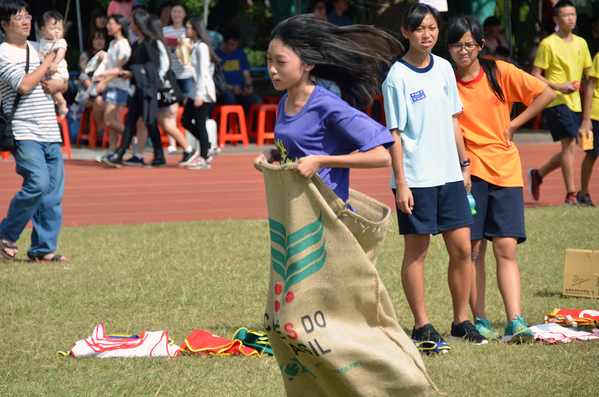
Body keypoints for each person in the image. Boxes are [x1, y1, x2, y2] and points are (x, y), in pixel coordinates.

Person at [382, 3, 487, 347]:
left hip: (451, 177)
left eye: (432, 28)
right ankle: (421, 325)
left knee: (462, 250)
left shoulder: (444, 68)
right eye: (418, 29)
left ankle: (461, 321)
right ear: (405, 33)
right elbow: (394, 134)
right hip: (416, 179)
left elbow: (454, 119)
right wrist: (401, 184)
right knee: (418, 252)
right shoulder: (396, 77)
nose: (426, 35)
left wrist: (465, 164)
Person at [447, 15, 556, 343]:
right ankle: (479, 320)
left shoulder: (499, 71)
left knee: (506, 248)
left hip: (506, 169)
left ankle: (515, 320)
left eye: (469, 44)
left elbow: (546, 93)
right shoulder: (446, 81)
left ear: (481, 45)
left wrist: (513, 125)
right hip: (469, 173)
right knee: (473, 249)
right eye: (456, 45)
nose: (462, 50)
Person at [253, 15, 399, 208]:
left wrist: (321, 162)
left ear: (308, 64)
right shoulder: (285, 101)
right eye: (269, 60)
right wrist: (272, 154)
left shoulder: (328, 106)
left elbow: (381, 156)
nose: (272, 69)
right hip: (295, 211)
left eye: (281, 62)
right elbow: (303, 151)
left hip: (327, 217)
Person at [0, 0, 68, 262]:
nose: (27, 21)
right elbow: (24, 85)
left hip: (50, 129)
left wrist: (59, 87)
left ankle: (42, 249)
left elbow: (63, 79)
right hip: (23, 130)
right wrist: (49, 60)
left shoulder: (40, 46)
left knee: (53, 192)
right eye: (19, 17)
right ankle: (6, 233)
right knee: (38, 183)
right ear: (5, 24)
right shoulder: (4, 53)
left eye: (28, 16)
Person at [530, 0, 592, 205]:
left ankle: (538, 175)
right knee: (570, 144)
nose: (571, 18)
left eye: (573, 14)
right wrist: (558, 86)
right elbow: (535, 75)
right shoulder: (548, 44)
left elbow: (589, 75)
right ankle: (571, 195)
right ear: (556, 19)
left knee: (571, 148)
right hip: (555, 100)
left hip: (576, 102)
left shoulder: (581, 43)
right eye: (566, 15)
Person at [101, 11, 166, 168]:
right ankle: (120, 154)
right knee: (131, 120)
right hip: (139, 90)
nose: (131, 25)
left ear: (140, 24)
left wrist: (132, 73)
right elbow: (129, 65)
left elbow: (152, 69)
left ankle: (159, 156)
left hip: (148, 90)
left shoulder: (150, 45)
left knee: (149, 122)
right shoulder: (136, 44)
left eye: (134, 22)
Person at [151, 16, 198, 166]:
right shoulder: (158, 43)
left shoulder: (157, 43)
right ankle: (187, 149)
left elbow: (164, 66)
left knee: (162, 123)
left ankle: (187, 149)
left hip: (159, 88)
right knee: (163, 123)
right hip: (160, 87)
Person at [182, 17, 219, 170]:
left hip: (201, 91)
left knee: (200, 124)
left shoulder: (202, 47)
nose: (186, 30)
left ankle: (204, 157)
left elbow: (204, 72)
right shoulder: (197, 46)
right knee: (185, 120)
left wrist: (199, 95)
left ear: (196, 30)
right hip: (195, 90)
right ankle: (209, 146)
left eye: (188, 28)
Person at [94, 14, 132, 163]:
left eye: (111, 23)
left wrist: (104, 81)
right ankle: (112, 151)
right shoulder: (113, 44)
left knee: (109, 121)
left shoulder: (123, 45)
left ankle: (132, 138)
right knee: (113, 120)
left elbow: (120, 69)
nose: (107, 26)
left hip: (118, 86)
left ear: (119, 26)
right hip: (112, 86)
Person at [162, 1, 193, 153]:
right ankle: (172, 143)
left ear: (184, 14)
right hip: (171, 74)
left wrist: (185, 45)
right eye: (174, 11)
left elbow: (194, 52)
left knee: (189, 109)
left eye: (179, 12)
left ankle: (188, 141)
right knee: (171, 110)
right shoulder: (164, 30)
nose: (176, 14)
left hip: (187, 74)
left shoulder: (189, 31)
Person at [214, 25, 262, 114]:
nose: (233, 47)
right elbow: (216, 78)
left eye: (236, 44)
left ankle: (246, 125)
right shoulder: (216, 54)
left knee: (256, 100)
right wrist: (231, 88)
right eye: (231, 44)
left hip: (240, 89)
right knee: (229, 99)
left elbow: (246, 74)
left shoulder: (240, 53)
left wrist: (248, 86)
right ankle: (228, 127)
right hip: (223, 89)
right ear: (224, 41)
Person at [575, 51, 599, 206]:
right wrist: (586, 118)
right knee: (592, 154)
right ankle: (583, 193)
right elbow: (590, 86)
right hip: (597, 115)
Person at [77, 29, 109, 143]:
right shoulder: (85, 56)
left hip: (105, 92)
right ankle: (100, 129)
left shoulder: (108, 57)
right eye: (96, 38)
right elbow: (85, 79)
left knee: (110, 100)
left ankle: (109, 134)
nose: (99, 41)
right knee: (99, 100)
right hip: (87, 94)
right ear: (91, 41)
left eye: (101, 38)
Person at [38, 11, 69, 120]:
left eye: (59, 29)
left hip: (58, 70)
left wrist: (55, 62)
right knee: (48, 86)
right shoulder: (42, 41)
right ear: (43, 30)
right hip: (48, 71)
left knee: (51, 85)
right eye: (52, 29)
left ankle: (61, 103)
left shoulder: (60, 41)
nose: (56, 31)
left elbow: (61, 51)